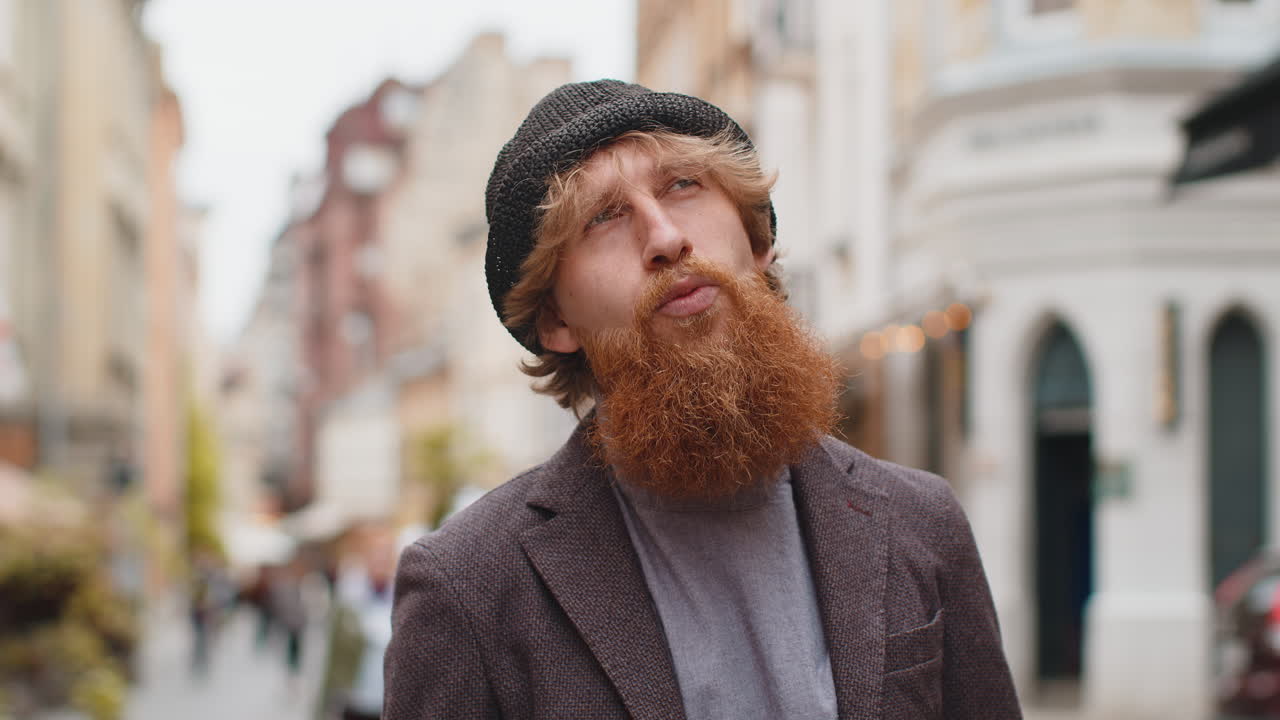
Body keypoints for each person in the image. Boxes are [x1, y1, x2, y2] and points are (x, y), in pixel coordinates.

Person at [383, 80, 1021, 720]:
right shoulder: (468, 588)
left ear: (756, 239)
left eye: (683, 185)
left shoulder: (921, 522)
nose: (664, 237)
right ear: (555, 320)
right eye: (604, 217)